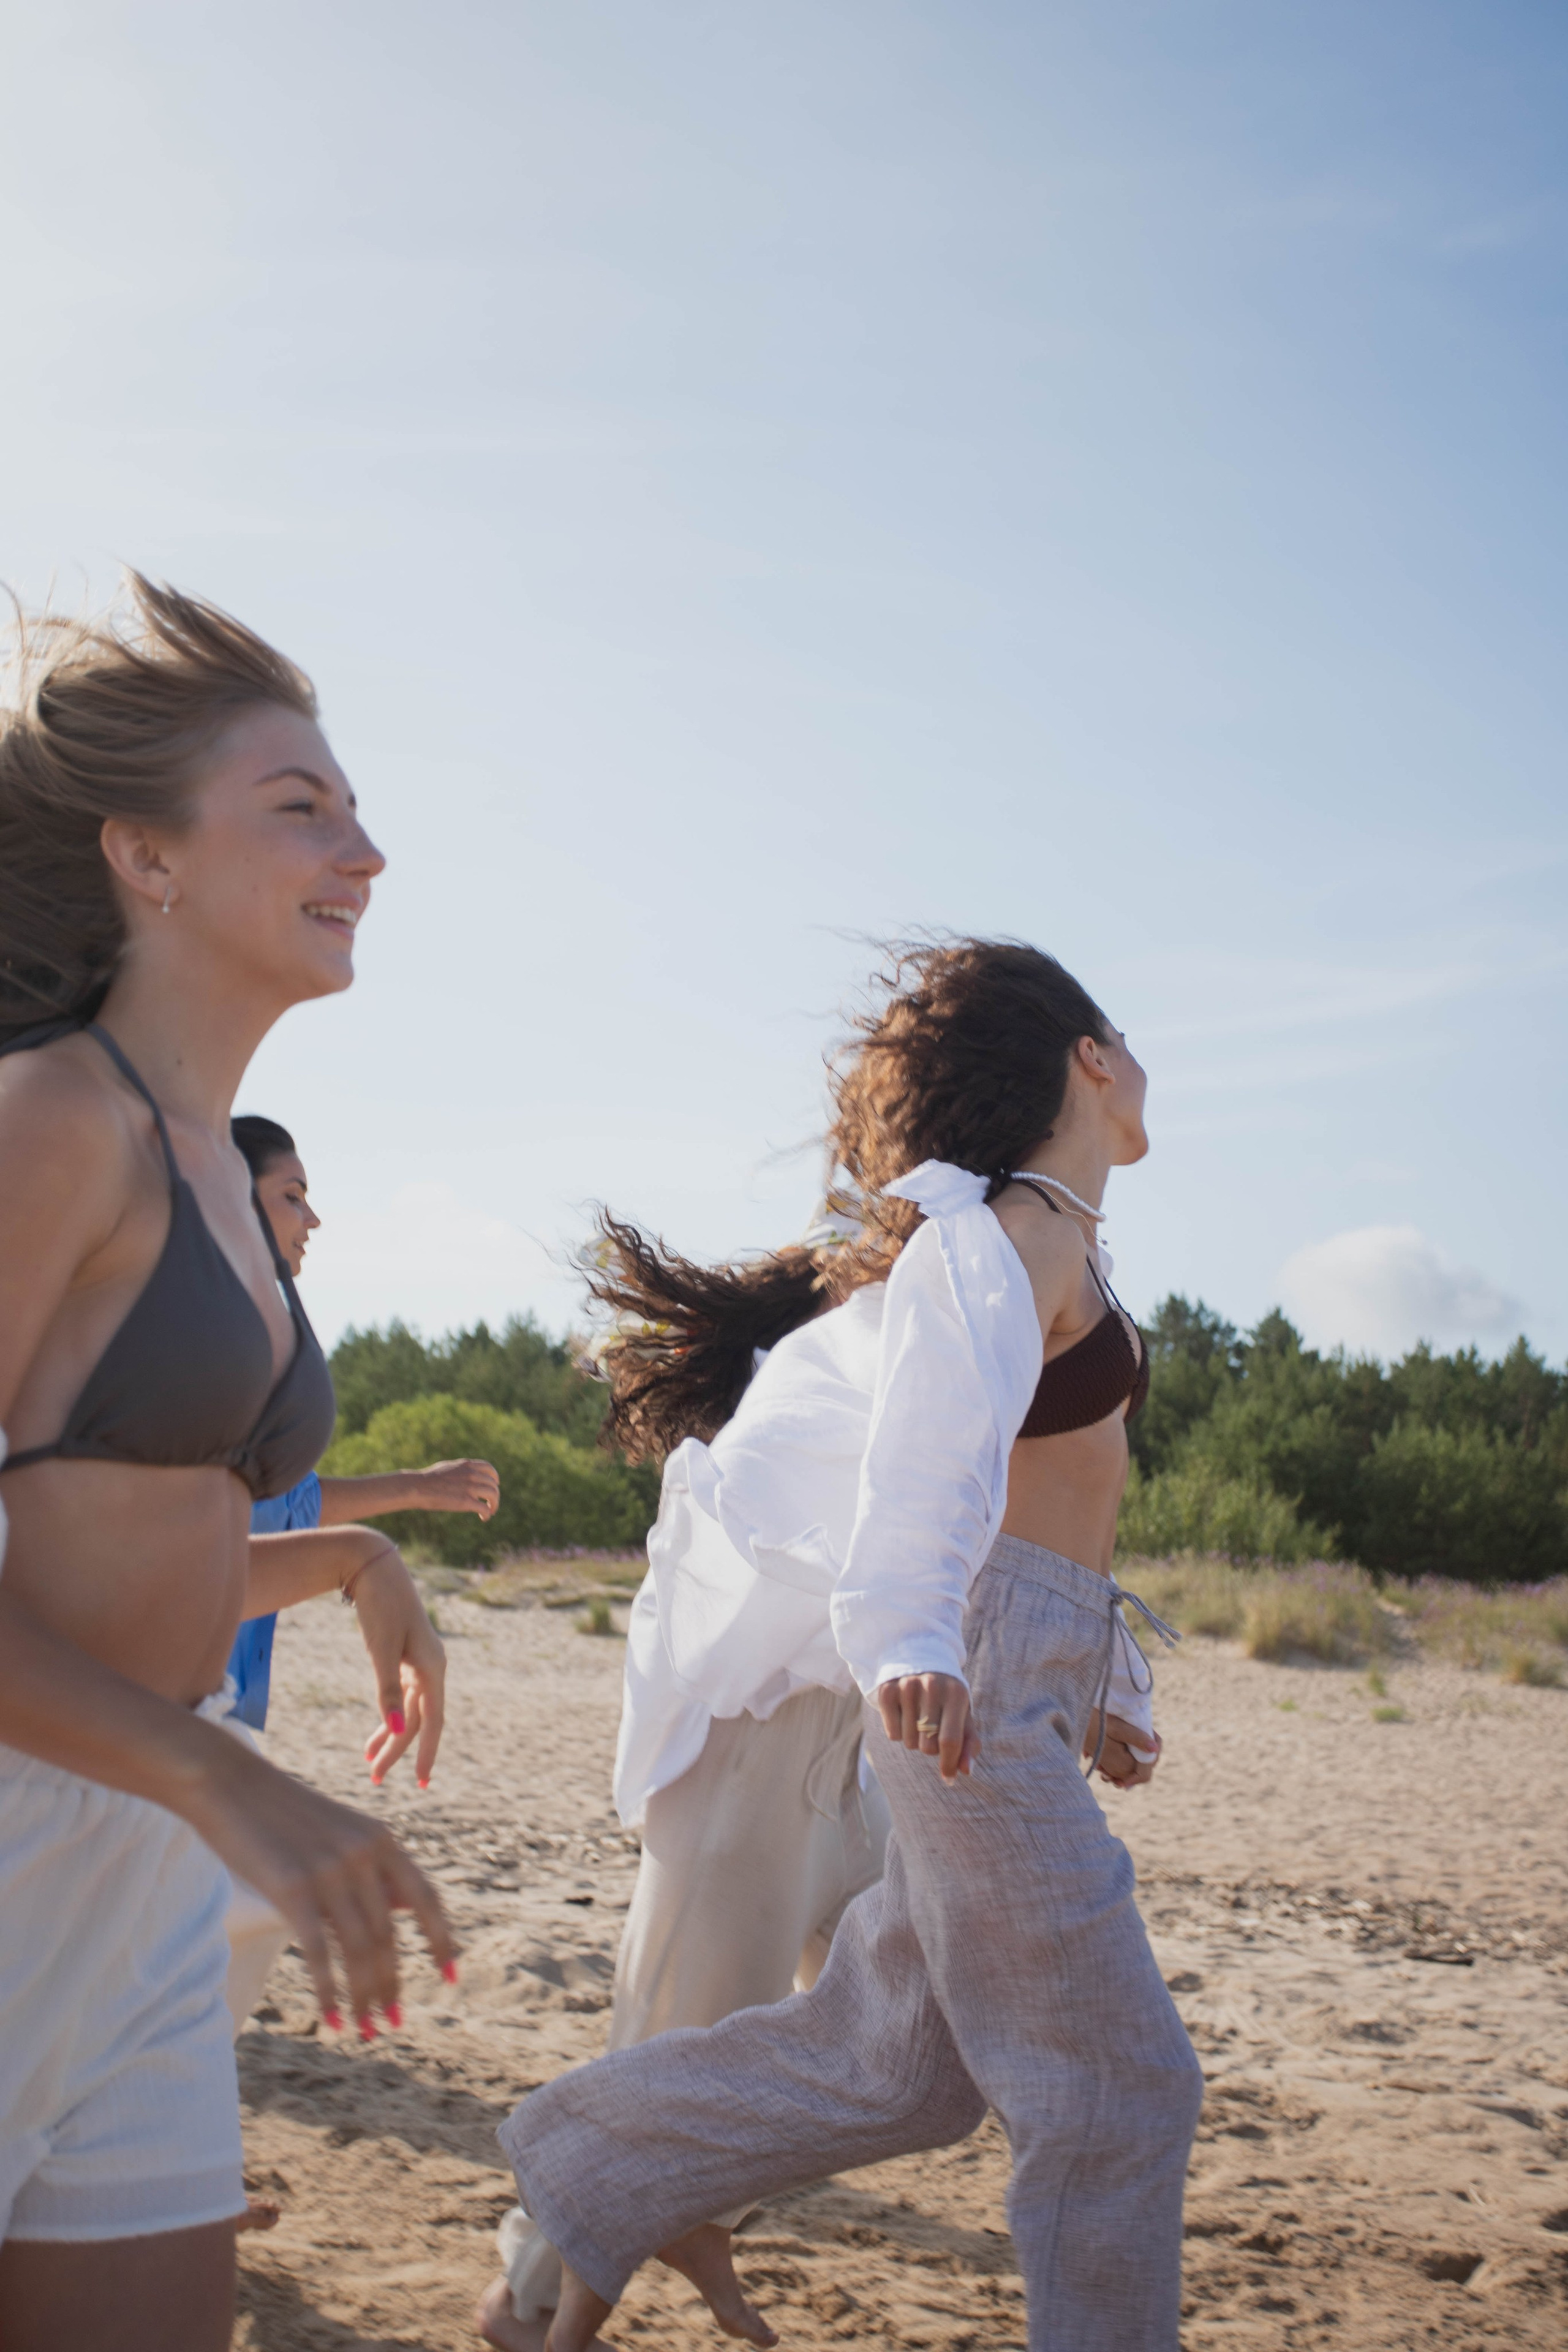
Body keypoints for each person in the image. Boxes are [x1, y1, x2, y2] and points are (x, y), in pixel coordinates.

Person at [494, 938, 1204, 2352]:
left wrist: (1101, 1683)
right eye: (1123, 1038)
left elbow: (1055, 1502)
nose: (1141, 1065)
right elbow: (925, 1466)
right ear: (1086, 1060)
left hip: (1016, 1669)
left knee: (903, 2067)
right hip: (971, 1683)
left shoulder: (1054, 1230)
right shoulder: (1002, 1232)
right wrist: (905, 1643)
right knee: (1120, 2084)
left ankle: (591, 2157)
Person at [0, 575, 458, 2352]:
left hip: (141, 1877)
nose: (368, 849)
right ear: (148, 858)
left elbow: (104, 1540)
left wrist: (353, 1558)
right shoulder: (55, 1123)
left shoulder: (215, 1165)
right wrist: (229, 1781)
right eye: (304, 806)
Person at [225, 1111, 500, 1740]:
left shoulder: (258, 1344)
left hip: (221, 1724)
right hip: (145, 1734)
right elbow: (166, 1571)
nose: (312, 1221)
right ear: (225, 1196)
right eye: (292, 1197)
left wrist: (420, 1488)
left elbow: (287, 1507)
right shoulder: (188, 1357)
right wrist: (357, 1559)